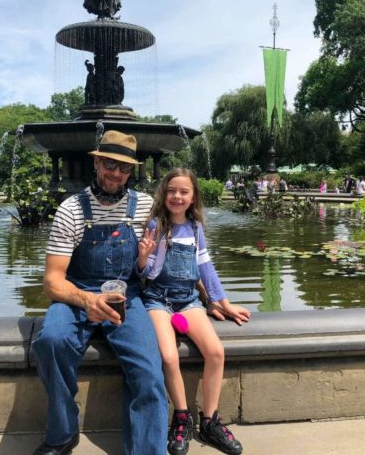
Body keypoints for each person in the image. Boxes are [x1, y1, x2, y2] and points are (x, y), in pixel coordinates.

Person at [33, 130, 168, 455]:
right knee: (51, 341)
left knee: (150, 370)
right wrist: (86, 300)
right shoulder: (71, 209)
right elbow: (52, 282)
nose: (116, 174)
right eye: (110, 164)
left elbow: (147, 268)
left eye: (123, 168)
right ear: (96, 164)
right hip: (76, 292)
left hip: (127, 296)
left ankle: (147, 450)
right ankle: (63, 432)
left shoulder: (145, 206)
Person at [137, 168, 250, 455]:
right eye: (172, 190)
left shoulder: (196, 228)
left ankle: (210, 420)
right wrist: (142, 257)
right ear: (164, 193)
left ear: (192, 197)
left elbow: (205, 268)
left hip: (188, 301)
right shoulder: (155, 225)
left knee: (215, 352)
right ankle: (182, 418)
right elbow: (145, 272)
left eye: (183, 192)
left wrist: (222, 302)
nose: (177, 196)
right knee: (168, 356)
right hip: (157, 300)